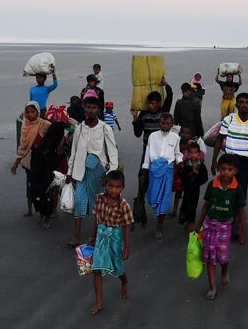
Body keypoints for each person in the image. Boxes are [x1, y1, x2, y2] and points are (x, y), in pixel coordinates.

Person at [66, 97, 119, 246]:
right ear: (84, 109)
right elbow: (74, 152)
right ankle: (76, 236)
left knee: (98, 205)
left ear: (99, 110)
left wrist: (110, 175)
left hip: (99, 172)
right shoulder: (80, 128)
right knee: (79, 202)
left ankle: (94, 236)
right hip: (80, 171)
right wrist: (70, 172)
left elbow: (113, 152)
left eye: (94, 108)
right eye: (88, 107)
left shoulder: (104, 128)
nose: (90, 110)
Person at [195, 153, 246, 300]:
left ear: (235, 171)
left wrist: (243, 231)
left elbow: (241, 211)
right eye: (223, 169)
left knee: (222, 258)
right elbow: (205, 205)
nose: (226, 172)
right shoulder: (212, 185)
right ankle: (212, 288)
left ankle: (224, 270)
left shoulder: (237, 189)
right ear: (218, 169)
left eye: (229, 169)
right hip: (209, 224)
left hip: (225, 226)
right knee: (210, 257)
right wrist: (198, 224)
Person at [86, 170, 133, 315]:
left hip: (116, 237)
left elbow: (127, 225)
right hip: (101, 235)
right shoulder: (99, 198)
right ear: (105, 185)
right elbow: (96, 219)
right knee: (96, 269)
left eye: (117, 187)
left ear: (122, 188)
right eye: (111, 186)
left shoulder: (123, 205)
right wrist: (92, 236)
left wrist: (126, 246)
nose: (114, 190)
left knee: (117, 266)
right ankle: (99, 302)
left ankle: (124, 281)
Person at [142, 113, 183, 239]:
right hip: (154, 170)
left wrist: (180, 161)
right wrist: (145, 168)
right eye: (163, 123)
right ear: (159, 123)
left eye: (168, 123)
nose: (165, 126)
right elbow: (148, 152)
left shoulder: (175, 137)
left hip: (167, 170)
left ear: (172, 124)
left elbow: (177, 153)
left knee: (165, 198)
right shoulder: (153, 136)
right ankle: (156, 210)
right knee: (153, 196)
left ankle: (159, 227)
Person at [12, 101, 51, 219]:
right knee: (30, 188)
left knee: (42, 188)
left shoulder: (44, 124)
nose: (30, 115)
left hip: (41, 161)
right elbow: (22, 147)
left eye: (32, 112)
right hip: (29, 163)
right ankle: (29, 210)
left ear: (38, 112)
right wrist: (16, 164)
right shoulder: (25, 125)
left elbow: (54, 133)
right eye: (27, 112)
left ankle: (44, 212)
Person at [131, 78, 173, 170]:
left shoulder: (163, 112)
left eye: (153, 103)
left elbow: (169, 96)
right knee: (144, 175)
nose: (150, 106)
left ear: (158, 103)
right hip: (147, 151)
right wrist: (135, 119)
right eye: (149, 103)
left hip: (161, 151)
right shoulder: (143, 115)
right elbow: (137, 134)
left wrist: (166, 84)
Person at [178, 141, 209, 229]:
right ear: (188, 153)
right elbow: (181, 174)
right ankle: (186, 221)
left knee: (193, 205)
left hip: (195, 189)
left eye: (195, 152)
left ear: (199, 153)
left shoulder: (201, 165)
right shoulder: (186, 163)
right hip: (187, 189)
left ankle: (191, 222)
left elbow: (205, 178)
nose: (193, 155)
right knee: (185, 204)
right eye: (191, 152)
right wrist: (188, 173)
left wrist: (197, 175)